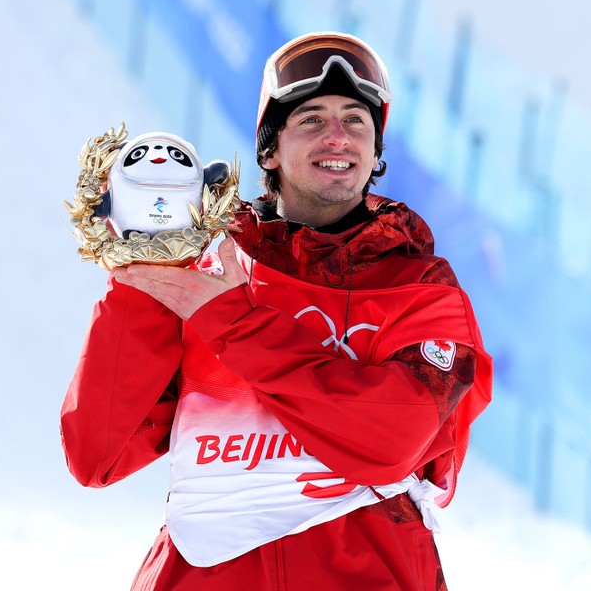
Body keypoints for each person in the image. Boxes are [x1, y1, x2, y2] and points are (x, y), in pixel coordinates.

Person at [61, 31, 493, 590]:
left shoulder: (419, 289)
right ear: (270, 149)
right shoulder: (209, 269)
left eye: (356, 120)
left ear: (376, 151)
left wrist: (235, 323)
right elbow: (96, 454)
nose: (337, 136)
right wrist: (145, 270)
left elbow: (391, 440)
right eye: (310, 118)